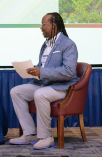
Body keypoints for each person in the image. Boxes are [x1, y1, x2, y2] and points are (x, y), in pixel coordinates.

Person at [9, 12, 79, 149]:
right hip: (44, 84)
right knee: (16, 91)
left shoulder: (68, 44)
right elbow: (45, 67)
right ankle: (29, 134)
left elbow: (69, 71)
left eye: (43, 24)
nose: (41, 28)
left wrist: (42, 72)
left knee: (40, 94)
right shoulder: (45, 44)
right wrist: (34, 70)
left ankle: (46, 137)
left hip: (61, 87)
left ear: (54, 25)